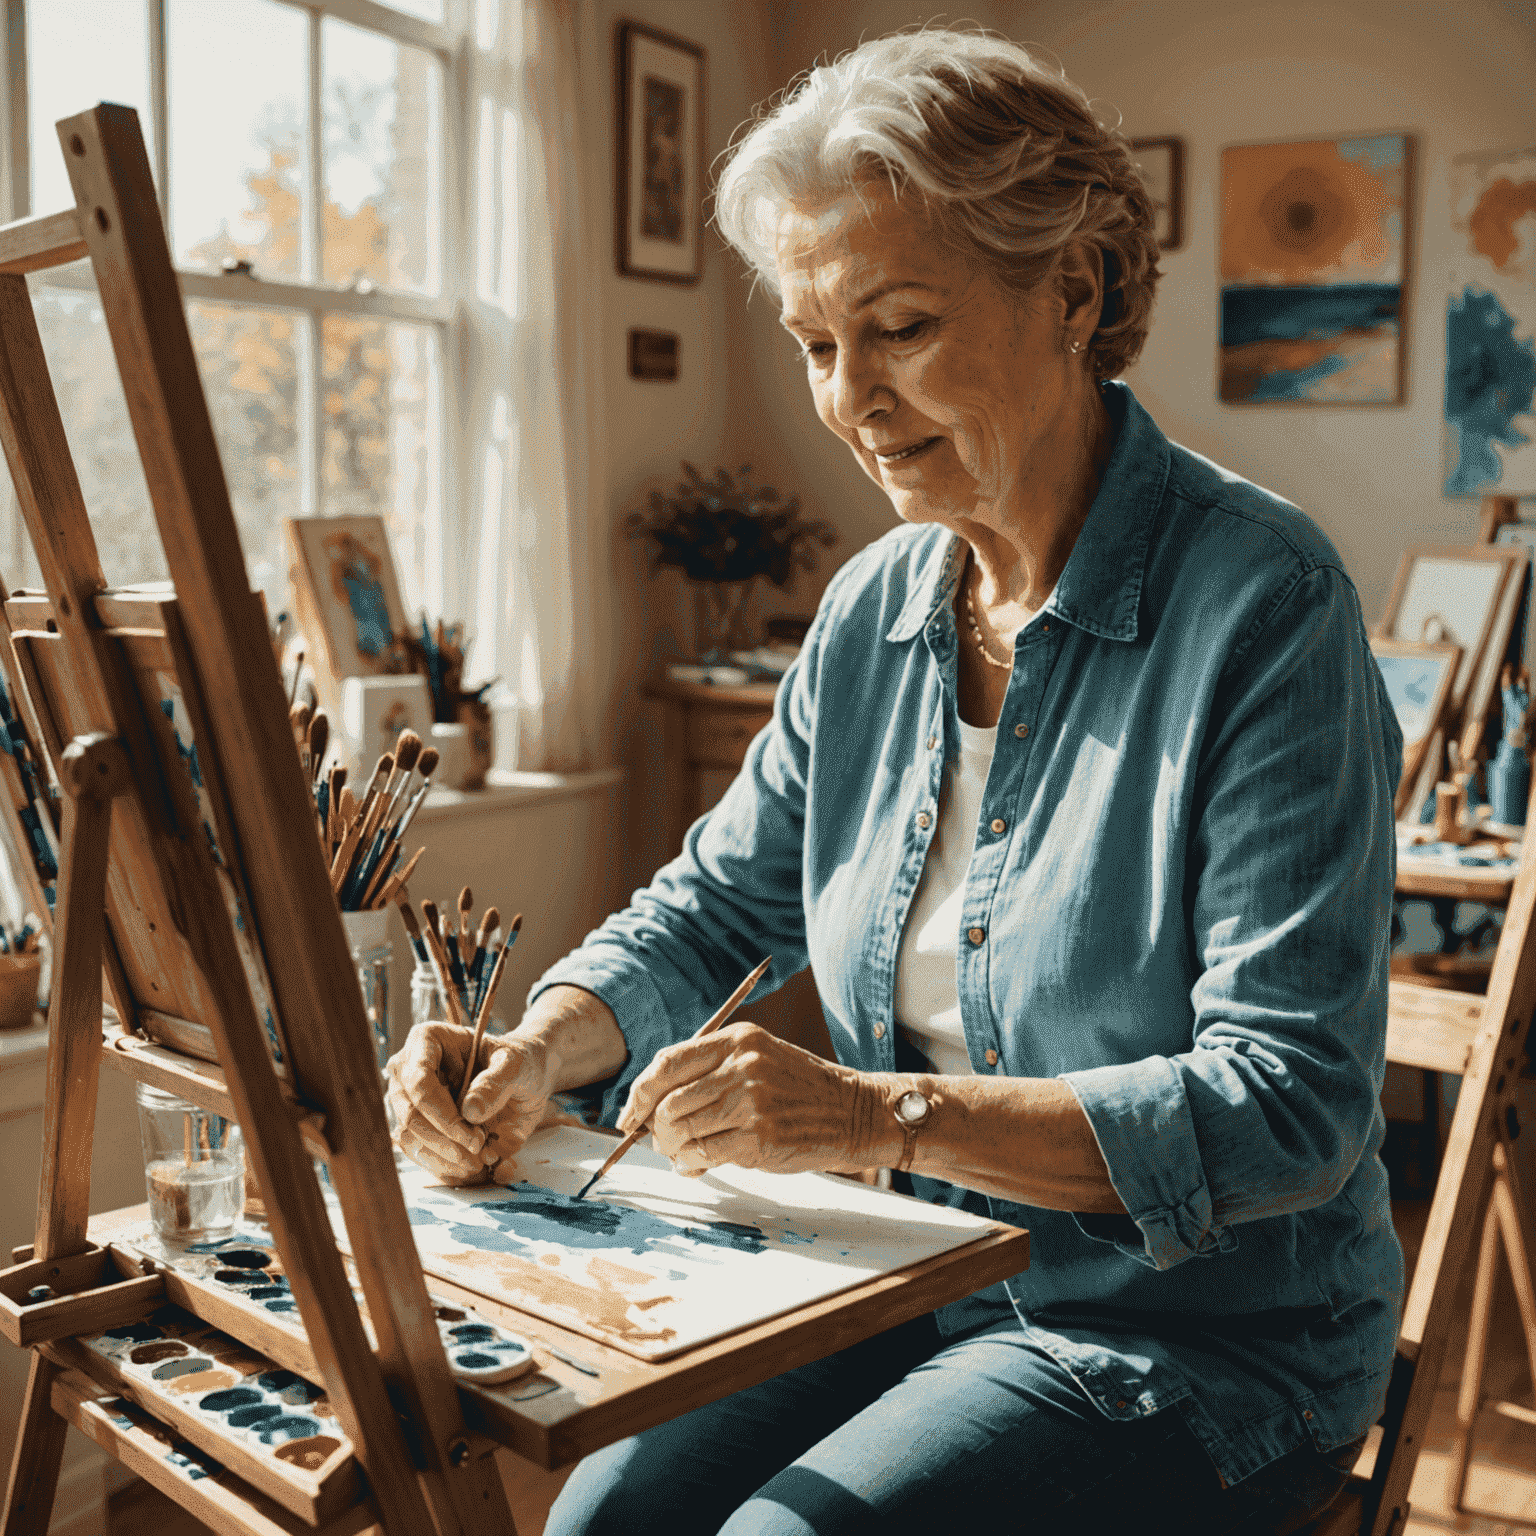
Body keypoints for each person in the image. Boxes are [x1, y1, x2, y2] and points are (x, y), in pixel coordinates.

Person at [387, 26, 1404, 1535]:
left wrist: (876, 1116)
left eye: (902, 327)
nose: (851, 398)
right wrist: (542, 1046)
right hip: (894, 1275)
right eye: (814, 343)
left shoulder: (1266, 604)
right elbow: (717, 903)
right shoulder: (874, 610)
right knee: (598, 1520)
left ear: (1078, 292)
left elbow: (1288, 1104)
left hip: (1188, 1342)